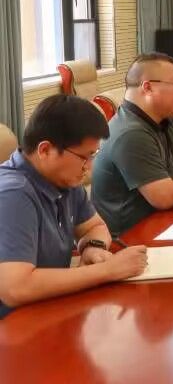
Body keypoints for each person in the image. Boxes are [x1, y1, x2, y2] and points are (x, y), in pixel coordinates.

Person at [0, 95, 147, 318]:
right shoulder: (13, 194)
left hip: (48, 310)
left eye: (93, 155)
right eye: (84, 157)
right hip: (12, 325)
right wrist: (107, 270)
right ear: (45, 150)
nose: (89, 168)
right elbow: (16, 288)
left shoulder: (63, 179)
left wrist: (93, 247)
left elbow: (94, 227)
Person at [92, 52, 173, 234]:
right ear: (148, 87)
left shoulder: (163, 119)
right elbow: (165, 198)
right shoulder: (131, 133)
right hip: (130, 239)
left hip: (164, 223)